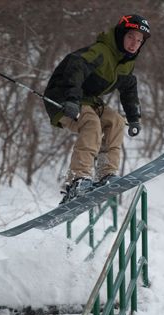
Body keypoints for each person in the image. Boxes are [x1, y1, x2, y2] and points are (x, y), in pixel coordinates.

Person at [44, 14, 151, 204]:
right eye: (130, 37)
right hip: (62, 97)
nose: (134, 44)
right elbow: (76, 65)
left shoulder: (126, 63)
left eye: (139, 40)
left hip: (88, 100)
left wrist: (134, 118)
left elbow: (129, 88)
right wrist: (71, 98)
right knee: (91, 123)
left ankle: (106, 175)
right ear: (120, 35)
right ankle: (78, 179)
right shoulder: (102, 51)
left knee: (116, 121)